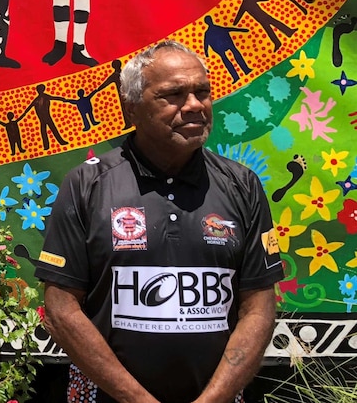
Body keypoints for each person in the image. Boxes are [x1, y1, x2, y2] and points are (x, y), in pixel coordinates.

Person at [35, 40, 283, 403]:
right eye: (174, 95)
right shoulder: (87, 184)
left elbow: (258, 306)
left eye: (202, 92)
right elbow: (60, 308)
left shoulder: (241, 184)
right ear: (131, 109)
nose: (195, 106)